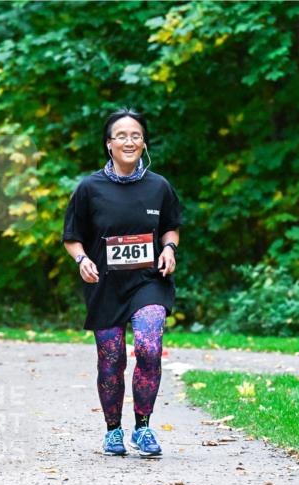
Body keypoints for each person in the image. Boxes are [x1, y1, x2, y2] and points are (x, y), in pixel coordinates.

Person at [62, 108, 183, 457]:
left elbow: (172, 225)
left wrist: (169, 248)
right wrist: (82, 259)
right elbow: (72, 237)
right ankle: (113, 431)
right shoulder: (89, 188)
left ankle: (143, 428)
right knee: (111, 360)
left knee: (149, 348)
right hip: (105, 283)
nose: (129, 141)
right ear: (109, 144)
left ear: (143, 142)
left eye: (136, 135)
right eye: (122, 136)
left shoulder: (159, 186)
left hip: (149, 281)